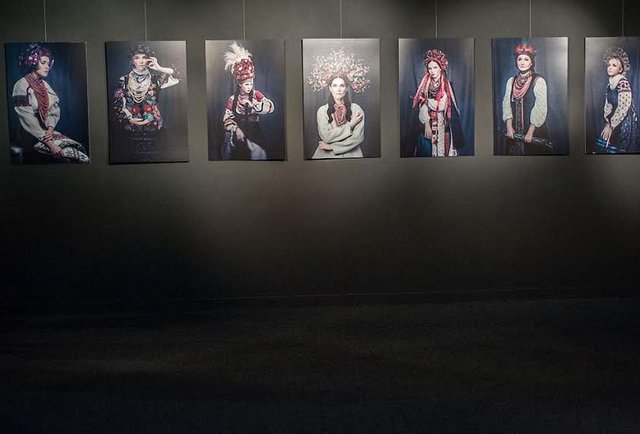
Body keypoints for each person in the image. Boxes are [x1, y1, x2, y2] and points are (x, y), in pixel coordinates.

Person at [11, 44, 88, 163]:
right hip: (28, 134)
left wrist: (50, 129)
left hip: (46, 132)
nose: (47, 67)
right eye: (43, 62)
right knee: (69, 157)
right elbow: (27, 119)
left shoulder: (44, 85)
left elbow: (53, 109)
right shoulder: (21, 85)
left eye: (48, 64)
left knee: (80, 153)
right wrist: (50, 144)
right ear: (33, 63)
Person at [113, 43, 180, 154]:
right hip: (131, 128)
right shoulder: (124, 80)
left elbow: (179, 75)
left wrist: (159, 68)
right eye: (137, 58)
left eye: (144, 57)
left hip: (154, 128)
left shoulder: (156, 79)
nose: (141, 61)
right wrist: (129, 118)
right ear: (132, 61)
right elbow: (118, 103)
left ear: (148, 60)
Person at [222, 42, 275, 160]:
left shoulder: (256, 95)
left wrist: (255, 104)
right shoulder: (232, 100)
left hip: (255, 134)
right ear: (240, 84)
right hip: (239, 134)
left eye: (251, 83)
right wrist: (236, 129)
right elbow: (227, 120)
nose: (249, 87)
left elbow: (270, 107)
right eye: (246, 84)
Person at [412, 49, 464, 157]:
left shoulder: (448, 86)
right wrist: (427, 125)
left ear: (441, 68)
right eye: (430, 68)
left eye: (435, 67)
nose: (432, 71)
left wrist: (430, 103)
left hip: (444, 127)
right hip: (429, 126)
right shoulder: (425, 86)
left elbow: (446, 107)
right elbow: (422, 106)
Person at [501, 43, 550, 155]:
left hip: (533, 132)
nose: (522, 62)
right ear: (516, 62)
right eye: (519, 59)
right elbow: (506, 104)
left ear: (531, 62)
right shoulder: (511, 81)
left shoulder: (538, 81)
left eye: (526, 59)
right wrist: (509, 127)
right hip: (513, 134)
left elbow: (540, 108)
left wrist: (530, 132)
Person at [312, 75, 365, 159]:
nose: (338, 89)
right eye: (335, 85)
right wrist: (350, 125)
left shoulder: (356, 109)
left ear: (347, 88)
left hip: (352, 155)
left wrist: (332, 147)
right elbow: (326, 137)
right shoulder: (322, 111)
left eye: (342, 85)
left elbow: (357, 138)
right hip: (326, 155)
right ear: (330, 88)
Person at [598, 46, 638, 153]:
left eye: (614, 65)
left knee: (620, 149)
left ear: (620, 69)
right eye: (609, 65)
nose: (610, 67)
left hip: (624, 120)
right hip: (613, 118)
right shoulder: (609, 85)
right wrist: (607, 121)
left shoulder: (623, 82)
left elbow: (623, 107)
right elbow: (608, 105)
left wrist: (611, 126)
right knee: (604, 143)